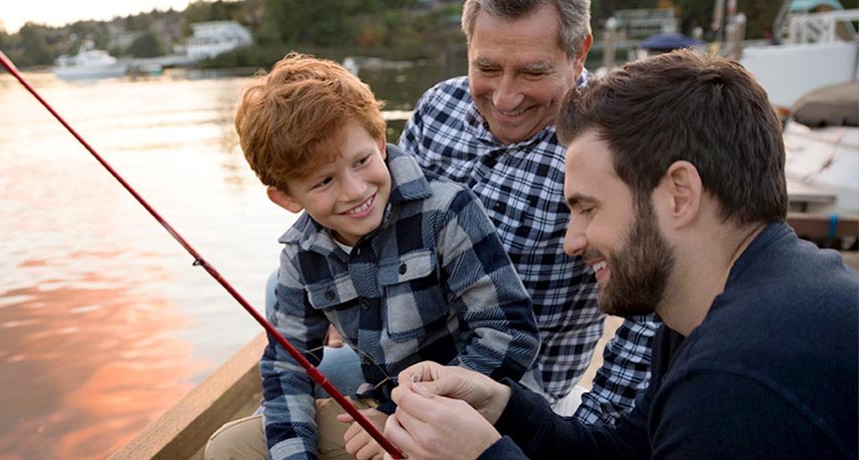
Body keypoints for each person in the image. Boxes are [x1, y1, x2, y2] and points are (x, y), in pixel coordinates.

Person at [382, 49, 859, 460]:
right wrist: (504, 408)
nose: (572, 241)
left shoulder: (735, 378)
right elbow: (625, 452)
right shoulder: (715, 313)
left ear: (679, 194)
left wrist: (482, 456)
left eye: (588, 208)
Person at [205, 53, 541, 460]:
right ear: (286, 197)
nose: (353, 190)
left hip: (475, 420)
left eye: (361, 161)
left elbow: (510, 337)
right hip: (383, 415)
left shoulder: (447, 210)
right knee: (229, 448)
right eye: (325, 181)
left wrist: (398, 417)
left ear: (380, 141)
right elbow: (287, 367)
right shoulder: (301, 255)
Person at [396, 0, 661, 423]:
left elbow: (652, 316)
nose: (505, 97)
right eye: (486, 68)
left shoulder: (615, 147)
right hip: (405, 366)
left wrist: (589, 431)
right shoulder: (436, 108)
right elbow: (387, 231)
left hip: (519, 399)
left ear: (579, 53)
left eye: (532, 72)